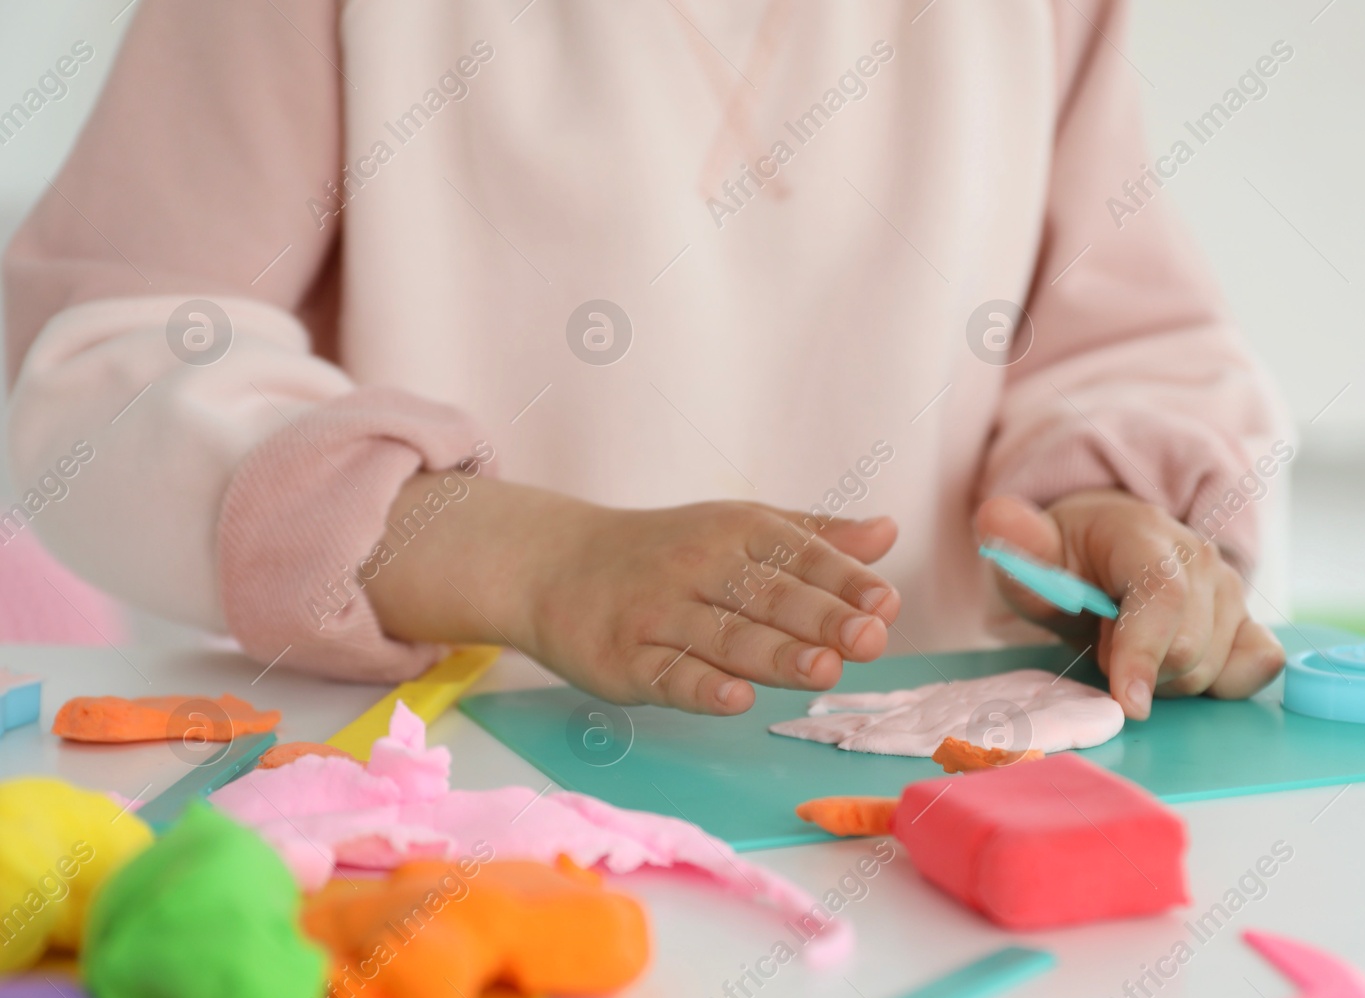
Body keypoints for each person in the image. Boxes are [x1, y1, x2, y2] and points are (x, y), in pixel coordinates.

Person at [4, 0, 1287, 721]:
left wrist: (1116, 524)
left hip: (923, 827)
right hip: (433, 815)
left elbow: (1128, 346)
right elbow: (100, 367)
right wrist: (521, 556)